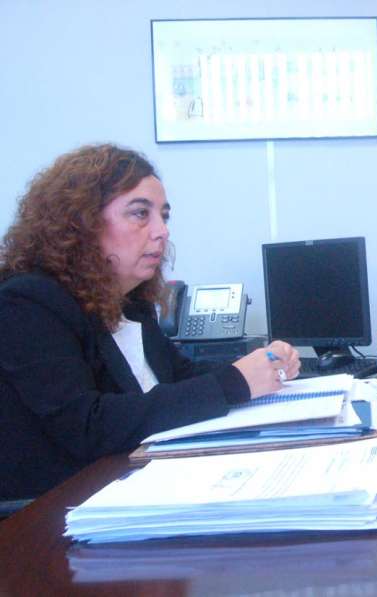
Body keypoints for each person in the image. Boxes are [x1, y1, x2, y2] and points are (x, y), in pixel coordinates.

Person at [0, 144, 300, 501]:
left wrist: (259, 365)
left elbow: (179, 374)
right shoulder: (28, 302)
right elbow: (88, 425)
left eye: (164, 216)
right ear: (80, 222)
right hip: (59, 509)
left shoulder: (130, 301)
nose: (162, 231)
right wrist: (235, 382)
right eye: (141, 213)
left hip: (137, 482)